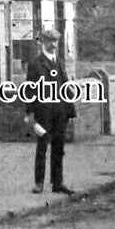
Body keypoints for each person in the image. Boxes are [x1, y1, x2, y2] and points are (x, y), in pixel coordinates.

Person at [25, 28, 76, 194]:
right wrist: (30, 113)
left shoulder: (60, 62)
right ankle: (39, 183)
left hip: (59, 112)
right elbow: (29, 90)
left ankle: (57, 182)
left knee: (58, 148)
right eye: (50, 41)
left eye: (55, 41)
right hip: (43, 113)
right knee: (42, 147)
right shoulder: (35, 63)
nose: (53, 45)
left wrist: (71, 111)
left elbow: (65, 86)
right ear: (43, 43)